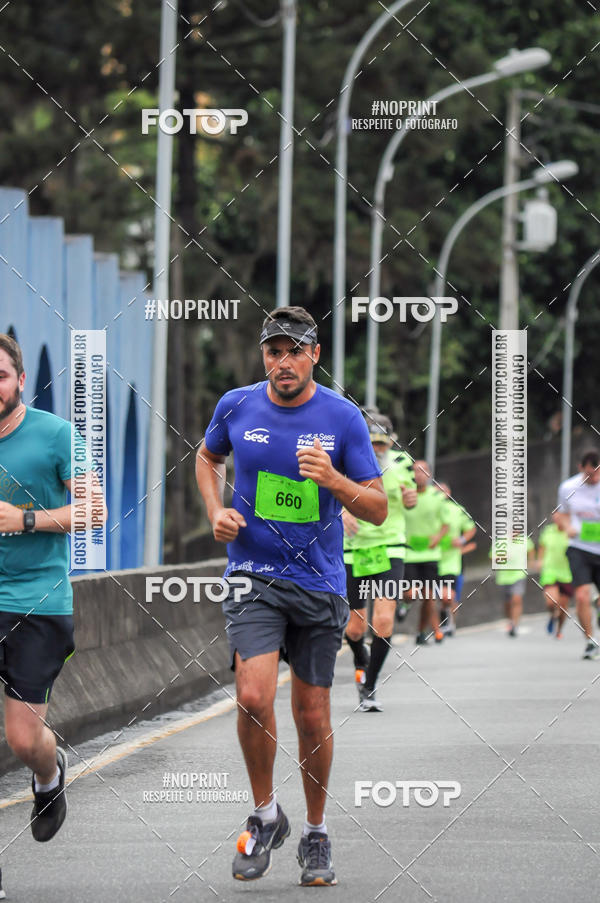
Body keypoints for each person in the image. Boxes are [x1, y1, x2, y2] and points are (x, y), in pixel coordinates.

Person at [195, 307, 387, 886]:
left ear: (315, 356)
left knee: (311, 715)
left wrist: (334, 481)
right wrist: (216, 512)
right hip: (252, 575)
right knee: (253, 697)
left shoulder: (342, 417)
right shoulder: (237, 405)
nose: (284, 362)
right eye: (274, 351)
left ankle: (316, 831)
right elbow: (208, 457)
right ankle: (264, 815)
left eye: (295, 351)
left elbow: (376, 509)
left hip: (319, 583)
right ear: (263, 357)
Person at [0, 334, 106, 859]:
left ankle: (48, 772)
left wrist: (22, 519)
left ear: (20, 380)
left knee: (24, 740)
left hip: (36, 601)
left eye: (0, 377)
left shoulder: (58, 435)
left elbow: (94, 511)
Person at [342, 411, 417, 712]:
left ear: (391, 441)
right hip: (356, 550)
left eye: (382, 444)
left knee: (383, 620)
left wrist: (412, 499)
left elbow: (411, 496)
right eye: (371, 442)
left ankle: (370, 686)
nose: (377, 449)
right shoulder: (345, 462)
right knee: (355, 629)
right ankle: (360, 655)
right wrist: (343, 512)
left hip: (391, 547)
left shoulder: (402, 464)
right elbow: (329, 495)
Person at [556, 449, 600, 659]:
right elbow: (559, 514)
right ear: (581, 468)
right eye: (591, 474)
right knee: (582, 595)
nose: (595, 479)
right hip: (579, 548)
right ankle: (591, 641)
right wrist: (566, 527)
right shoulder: (568, 488)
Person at [403, 462, 449, 645]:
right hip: (410, 554)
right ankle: (405, 604)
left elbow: (446, 525)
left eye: (423, 471)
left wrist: (437, 538)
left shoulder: (437, 498)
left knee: (429, 597)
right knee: (411, 593)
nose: (419, 475)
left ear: (429, 474)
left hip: (430, 555)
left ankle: (421, 631)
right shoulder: (405, 495)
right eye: (416, 471)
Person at [437, 483, 476, 636]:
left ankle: (450, 623)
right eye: (437, 490)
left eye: (443, 491)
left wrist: (461, 540)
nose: (440, 493)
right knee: (434, 596)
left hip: (454, 561)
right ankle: (438, 626)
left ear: (449, 493)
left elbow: (471, 529)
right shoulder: (429, 508)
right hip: (433, 559)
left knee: (451, 596)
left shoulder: (458, 510)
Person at [490, 534, 535, 636]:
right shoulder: (500, 540)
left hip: (518, 575)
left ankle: (515, 625)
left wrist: (531, 561)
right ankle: (510, 620)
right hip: (503, 577)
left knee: (516, 599)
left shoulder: (524, 540)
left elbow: (531, 549)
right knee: (507, 603)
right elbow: (492, 557)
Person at [537, 512, 573, 639]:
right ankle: (553, 615)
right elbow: (542, 546)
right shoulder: (548, 531)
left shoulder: (571, 532)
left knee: (563, 607)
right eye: (555, 516)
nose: (557, 519)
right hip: (550, 571)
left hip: (567, 573)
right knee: (551, 602)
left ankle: (559, 629)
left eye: (560, 516)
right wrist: (540, 560)